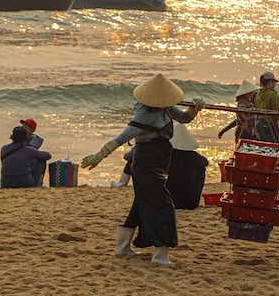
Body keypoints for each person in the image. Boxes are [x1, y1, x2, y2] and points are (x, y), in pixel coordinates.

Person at [81, 74, 204, 266]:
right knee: (164, 205)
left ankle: (122, 248)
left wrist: (194, 108)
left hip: (159, 160)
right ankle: (160, 255)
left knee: (140, 204)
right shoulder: (144, 115)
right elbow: (121, 138)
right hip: (145, 163)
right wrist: (100, 155)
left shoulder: (166, 107)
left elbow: (184, 118)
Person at [166, 124, 209, 210]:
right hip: (190, 203)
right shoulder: (193, 156)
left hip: (168, 201)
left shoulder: (167, 155)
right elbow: (205, 162)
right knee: (201, 169)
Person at [254, 71, 279, 156]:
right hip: (269, 124)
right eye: (274, 82)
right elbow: (276, 113)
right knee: (276, 148)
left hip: (260, 124)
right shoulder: (272, 94)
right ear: (270, 82)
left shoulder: (258, 94)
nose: (275, 84)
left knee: (264, 148)